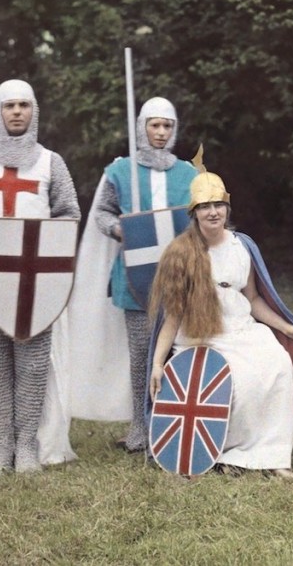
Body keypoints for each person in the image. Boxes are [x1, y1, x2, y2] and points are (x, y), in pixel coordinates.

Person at [0, 79, 80, 476]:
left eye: (24, 105)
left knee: (32, 366)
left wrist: (46, 249)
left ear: (34, 110)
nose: (17, 112)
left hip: (34, 285)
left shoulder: (50, 162)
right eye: (10, 106)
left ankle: (26, 446)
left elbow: (69, 214)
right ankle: (1, 447)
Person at [148, 171, 293, 479]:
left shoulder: (241, 246)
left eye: (218, 204)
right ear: (194, 212)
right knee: (240, 379)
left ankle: (272, 455)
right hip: (201, 337)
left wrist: (284, 327)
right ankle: (227, 453)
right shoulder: (181, 253)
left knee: (278, 365)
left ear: (227, 209)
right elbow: (173, 317)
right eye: (205, 206)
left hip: (241, 330)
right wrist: (156, 363)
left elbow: (254, 299)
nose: (213, 212)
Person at [69, 97, 198, 452]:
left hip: (177, 273)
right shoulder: (121, 172)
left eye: (167, 126)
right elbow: (103, 212)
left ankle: (172, 422)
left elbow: (199, 218)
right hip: (134, 277)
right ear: (142, 127)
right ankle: (141, 426)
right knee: (141, 353)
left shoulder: (189, 173)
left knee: (175, 350)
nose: (160, 132)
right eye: (154, 125)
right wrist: (118, 229)